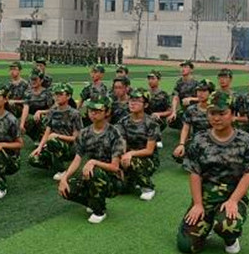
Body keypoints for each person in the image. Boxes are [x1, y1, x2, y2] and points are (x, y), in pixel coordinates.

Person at [177, 91, 249, 254]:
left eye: (222, 113)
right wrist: (197, 204)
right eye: (212, 113)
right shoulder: (199, 140)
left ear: (233, 114)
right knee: (186, 246)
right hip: (206, 197)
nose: (216, 118)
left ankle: (231, 239)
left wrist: (233, 201)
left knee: (226, 225)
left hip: (232, 195)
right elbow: (194, 173)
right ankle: (207, 224)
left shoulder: (246, 141)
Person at [57, 96, 125, 224]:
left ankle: (99, 211)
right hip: (92, 175)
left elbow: (115, 167)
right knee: (66, 188)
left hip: (112, 180)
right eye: (91, 110)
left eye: (98, 111)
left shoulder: (114, 133)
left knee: (96, 171)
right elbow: (77, 159)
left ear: (107, 112)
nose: (93, 113)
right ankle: (93, 203)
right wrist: (64, 178)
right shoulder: (84, 133)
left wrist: (93, 162)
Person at [28, 83, 83, 180]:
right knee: (33, 158)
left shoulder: (74, 114)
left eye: (60, 94)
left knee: (53, 141)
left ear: (68, 96)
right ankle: (55, 164)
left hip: (70, 148)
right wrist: (39, 147)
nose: (57, 97)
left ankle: (61, 170)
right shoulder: (53, 112)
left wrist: (57, 136)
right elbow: (47, 132)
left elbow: (75, 138)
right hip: (54, 144)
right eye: (55, 94)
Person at [117, 88, 160, 201]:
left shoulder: (151, 123)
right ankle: (131, 180)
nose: (132, 103)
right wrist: (122, 156)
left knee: (134, 161)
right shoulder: (123, 121)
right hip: (127, 156)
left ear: (145, 105)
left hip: (147, 158)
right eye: (131, 100)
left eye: (137, 101)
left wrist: (130, 154)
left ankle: (148, 188)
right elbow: (122, 142)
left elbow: (149, 150)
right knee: (120, 188)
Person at [173, 79, 215, 164]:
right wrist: (182, 144)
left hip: (214, 141)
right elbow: (186, 128)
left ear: (210, 93)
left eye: (204, 91)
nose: (200, 94)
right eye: (198, 91)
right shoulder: (191, 109)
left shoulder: (216, 110)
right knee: (178, 155)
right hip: (197, 139)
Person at [19, 69, 54, 141]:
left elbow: (53, 109)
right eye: (31, 79)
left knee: (44, 119)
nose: (33, 81)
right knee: (23, 120)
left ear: (41, 80)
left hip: (44, 116)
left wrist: (40, 112)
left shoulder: (47, 93)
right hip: (31, 116)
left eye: (35, 79)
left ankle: (45, 138)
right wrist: (22, 124)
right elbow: (26, 108)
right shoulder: (28, 93)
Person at [167, 60, 198, 130]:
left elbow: (203, 98)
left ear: (191, 70)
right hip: (184, 110)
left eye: (186, 67)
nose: (183, 69)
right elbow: (175, 97)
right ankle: (184, 128)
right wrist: (174, 112)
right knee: (172, 121)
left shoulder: (196, 83)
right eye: (182, 67)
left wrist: (191, 99)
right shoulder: (179, 83)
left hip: (196, 110)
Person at [146, 70, 172, 148]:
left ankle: (157, 138)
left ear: (158, 79)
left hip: (158, 119)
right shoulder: (145, 93)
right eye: (149, 79)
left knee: (154, 119)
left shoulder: (163, 95)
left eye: (153, 78)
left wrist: (159, 114)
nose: (150, 81)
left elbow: (169, 111)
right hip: (145, 118)